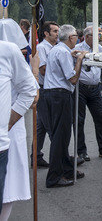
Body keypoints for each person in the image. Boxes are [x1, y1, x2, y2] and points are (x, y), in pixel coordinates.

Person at [0, 18, 38, 220]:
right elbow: (34, 97)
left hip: (10, 125)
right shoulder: (12, 56)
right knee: (9, 183)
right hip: (10, 127)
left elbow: (29, 93)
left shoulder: (10, 56)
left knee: (8, 182)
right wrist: (34, 69)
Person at [44, 24, 87, 188]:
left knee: (61, 135)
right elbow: (73, 78)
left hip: (54, 94)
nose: (77, 38)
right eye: (76, 35)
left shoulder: (59, 49)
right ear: (71, 38)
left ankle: (67, 169)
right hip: (59, 95)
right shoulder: (62, 51)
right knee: (60, 137)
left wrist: (73, 56)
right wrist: (79, 60)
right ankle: (54, 176)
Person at [75, 26, 102, 161]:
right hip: (81, 87)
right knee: (79, 120)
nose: (99, 37)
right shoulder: (77, 49)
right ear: (87, 37)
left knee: (101, 117)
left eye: (100, 34)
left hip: (95, 88)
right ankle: (81, 151)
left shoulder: (99, 49)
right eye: (96, 35)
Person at [31, 21, 59, 168]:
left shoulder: (55, 47)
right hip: (44, 89)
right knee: (51, 126)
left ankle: (36, 156)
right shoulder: (42, 48)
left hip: (48, 88)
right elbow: (42, 70)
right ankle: (60, 159)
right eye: (54, 31)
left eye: (58, 31)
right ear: (46, 33)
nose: (57, 34)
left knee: (41, 126)